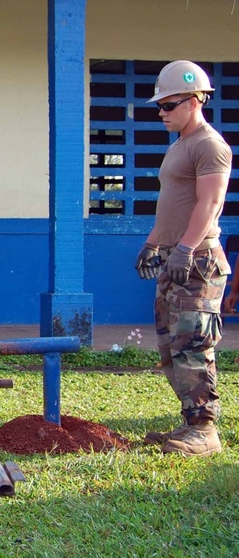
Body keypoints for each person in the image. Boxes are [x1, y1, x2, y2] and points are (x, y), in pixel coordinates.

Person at [134, 60, 231, 457]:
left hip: (199, 263)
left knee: (193, 345)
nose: (161, 113)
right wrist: (153, 244)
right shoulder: (180, 146)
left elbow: (210, 202)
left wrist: (188, 248)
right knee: (171, 348)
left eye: (169, 105)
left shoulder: (209, 145)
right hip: (175, 258)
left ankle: (205, 431)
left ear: (194, 101)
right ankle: (189, 421)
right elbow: (171, 205)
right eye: (159, 106)